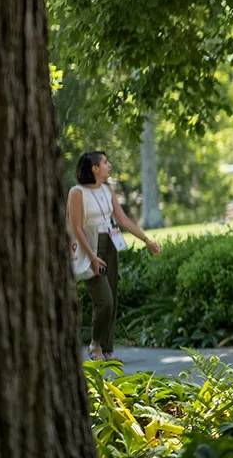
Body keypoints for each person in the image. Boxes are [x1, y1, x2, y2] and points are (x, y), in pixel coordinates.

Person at [68, 151, 161, 361]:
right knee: (105, 301)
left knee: (113, 298)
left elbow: (123, 220)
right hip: (89, 248)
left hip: (109, 244)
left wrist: (146, 241)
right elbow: (76, 227)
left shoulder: (107, 190)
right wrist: (92, 256)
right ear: (94, 168)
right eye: (105, 162)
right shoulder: (77, 193)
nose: (109, 165)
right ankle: (95, 344)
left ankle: (106, 350)